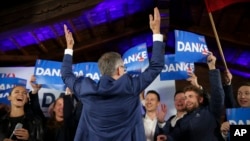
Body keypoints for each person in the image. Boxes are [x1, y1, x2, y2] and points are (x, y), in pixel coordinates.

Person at [61, 7, 165, 141]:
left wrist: (69, 48)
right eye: (123, 66)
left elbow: (66, 74)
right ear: (118, 70)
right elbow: (156, 66)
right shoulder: (130, 87)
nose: (124, 69)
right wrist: (156, 32)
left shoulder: (85, 89)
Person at [157, 53, 225, 141]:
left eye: (190, 96)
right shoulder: (182, 122)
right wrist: (166, 138)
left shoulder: (210, 111)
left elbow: (217, 93)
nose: (187, 100)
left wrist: (212, 67)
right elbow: (173, 136)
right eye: (185, 97)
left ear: (200, 99)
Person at [29, 75, 78, 141]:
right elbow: (36, 109)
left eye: (65, 104)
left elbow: (68, 115)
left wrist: (69, 94)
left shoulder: (73, 124)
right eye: (59, 104)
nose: (62, 107)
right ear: (53, 108)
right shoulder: (46, 123)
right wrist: (35, 91)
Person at [220, 70, 250, 140]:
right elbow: (229, 100)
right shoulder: (234, 113)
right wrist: (224, 133)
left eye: (247, 93)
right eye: (239, 93)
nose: (242, 96)